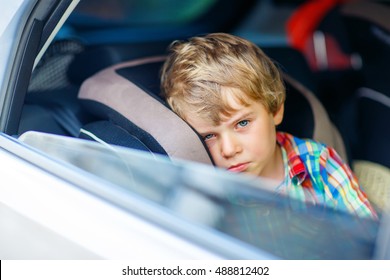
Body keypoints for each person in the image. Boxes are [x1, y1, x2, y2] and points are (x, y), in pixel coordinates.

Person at [160, 32, 377, 219]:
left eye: (242, 123)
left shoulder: (316, 164)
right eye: (208, 136)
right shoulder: (204, 188)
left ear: (275, 110)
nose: (228, 149)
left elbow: (367, 238)